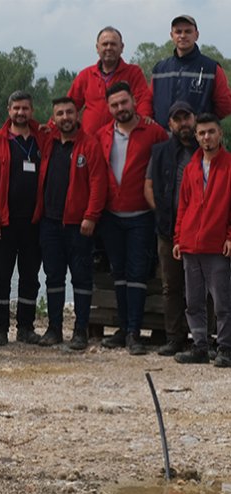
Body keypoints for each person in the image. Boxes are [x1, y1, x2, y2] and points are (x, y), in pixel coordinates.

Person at [95, 81, 168, 355]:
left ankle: (135, 333)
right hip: (111, 216)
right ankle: (124, 329)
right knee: (120, 274)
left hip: (141, 216)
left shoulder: (154, 132)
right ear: (108, 108)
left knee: (138, 274)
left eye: (124, 103)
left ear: (134, 102)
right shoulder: (102, 134)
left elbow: (166, 167)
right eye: (114, 105)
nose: (120, 108)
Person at [34, 97, 108, 349]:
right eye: (59, 114)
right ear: (52, 118)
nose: (65, 117)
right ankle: (54, 328)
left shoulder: (90, 145)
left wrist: (91, 216)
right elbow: (23, 122)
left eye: (69, 112)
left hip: (79, 225)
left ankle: (80, 331)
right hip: (50, 223)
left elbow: (99, 183)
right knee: (53, 278)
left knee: (82, 279)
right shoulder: (48, 141)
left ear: (78, 115)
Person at [0, 91, 45, 346]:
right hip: (3, 223)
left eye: (25, 108)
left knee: (30, 277)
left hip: (34, 222)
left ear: (32, 110)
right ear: (9, 110)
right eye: (16, 108)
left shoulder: (42, 138)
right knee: (1, 277)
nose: (20, 113)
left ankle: (26, 327)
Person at [172, 113, 231, 367]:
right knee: (193, 300)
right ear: (196, 137)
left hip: (216, 244)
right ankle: (199, 346)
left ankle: (226, 348)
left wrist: (230, 236)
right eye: (202, 133)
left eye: (211, 132)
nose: (206, 137)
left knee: (222, 301)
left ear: (220, 134)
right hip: (190, 245)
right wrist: (178, 238)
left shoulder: (229, 166)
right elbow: (183, 206)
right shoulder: (192, 167)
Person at [144, 101, 199, 356]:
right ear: (170, 124)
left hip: (201, 231)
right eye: (177, 119)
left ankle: (201, 339)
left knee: (202, 286)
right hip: (168, 231)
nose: (183, 123)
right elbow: (148, 187)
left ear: (194, 119)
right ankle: (174, 338)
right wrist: (163, 214)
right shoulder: (160, 151)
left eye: (186, 118)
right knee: (171, 286)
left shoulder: (206, 149)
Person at [67, 27, 152, 135]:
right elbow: (70, 105)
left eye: (113, 44)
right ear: (97, 48)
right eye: (105, 44)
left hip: (124, 138)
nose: (109, 48)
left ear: (121, 47)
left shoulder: (133, 72)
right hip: (91, 141)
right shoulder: (86, 75)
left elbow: (143, 100)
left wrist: (143, 122)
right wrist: (52, 125)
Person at [152, 15, 231, 128]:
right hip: (164, 138)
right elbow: (149, 101)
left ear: (196, 35)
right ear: (172, 36)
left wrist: (205, 125)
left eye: (188, 31)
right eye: (178, 32)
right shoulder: (159, 69)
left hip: (198, 139)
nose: (183, 36)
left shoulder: (211, 68)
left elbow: (225, 106)